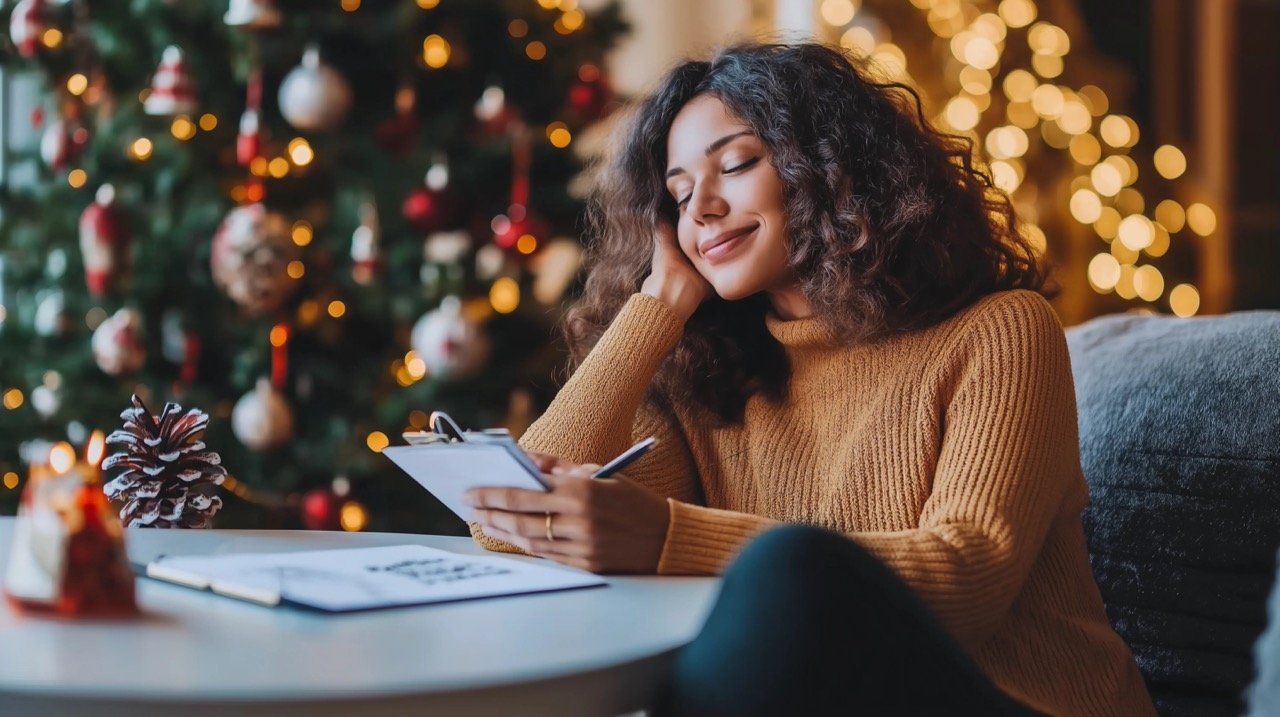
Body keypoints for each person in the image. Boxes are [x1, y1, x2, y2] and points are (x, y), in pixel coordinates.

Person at [462, 42, 1155, 715]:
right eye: (676, 195)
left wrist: (669, 539)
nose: (699, 209)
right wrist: (657, 306)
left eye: (733, 165)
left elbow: (970, 579)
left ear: (829, 167)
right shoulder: (707, 376)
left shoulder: (1000, 331)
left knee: (793, 566)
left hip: (1017, 701)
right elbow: (512, 521)